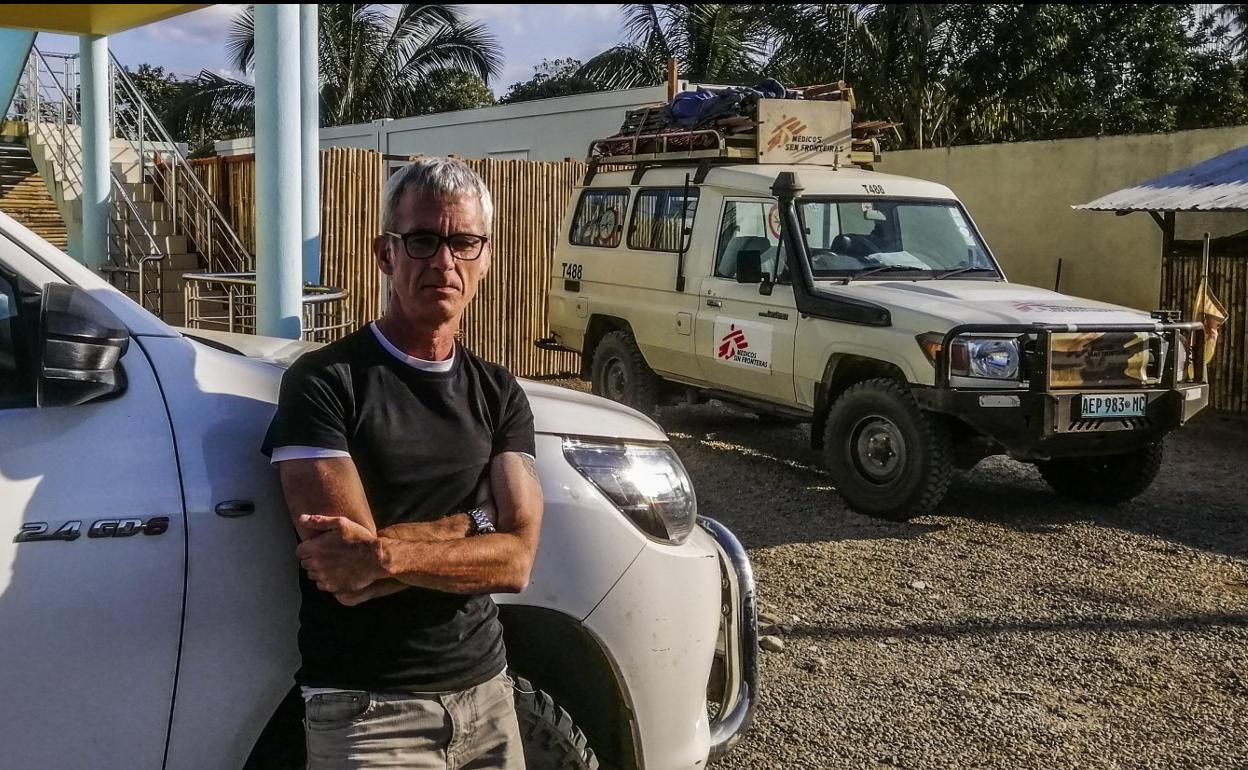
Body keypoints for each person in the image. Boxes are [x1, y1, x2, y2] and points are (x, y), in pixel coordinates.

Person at [262, 157, 542, 769]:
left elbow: (517, 562)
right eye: (423, 240)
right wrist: (475, 522)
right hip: (368, 712)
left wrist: (383, 552)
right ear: (386, 254)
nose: (444, 262)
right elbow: (345, 575)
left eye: (464, 242)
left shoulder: (498, 392)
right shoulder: (326, 382)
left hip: (488, 696)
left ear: (485, 258)